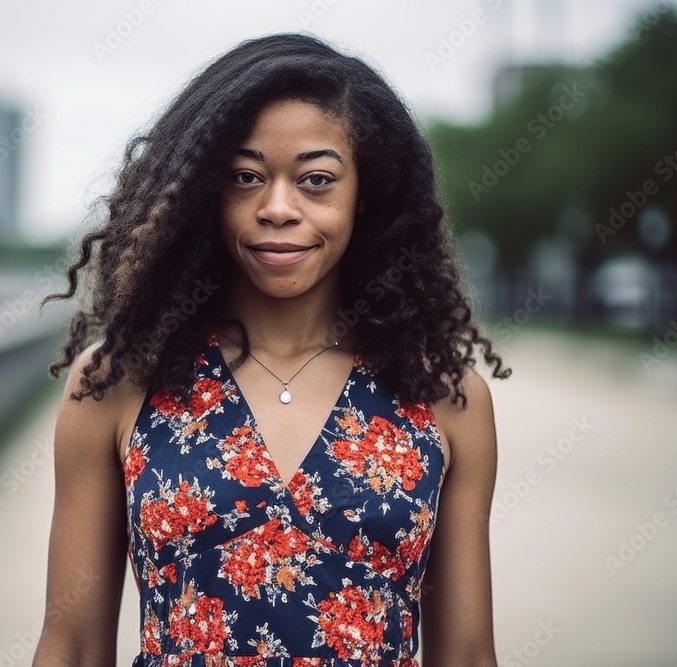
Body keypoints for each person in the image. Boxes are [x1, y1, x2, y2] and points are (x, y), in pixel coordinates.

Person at [31, 32, 510, 667]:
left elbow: (469, 655)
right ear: (204, 193)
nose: (278, 208)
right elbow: (72, 647)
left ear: (364, 196)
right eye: (245, 177)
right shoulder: (117, 383)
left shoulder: (445, 398)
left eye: (316, 180)